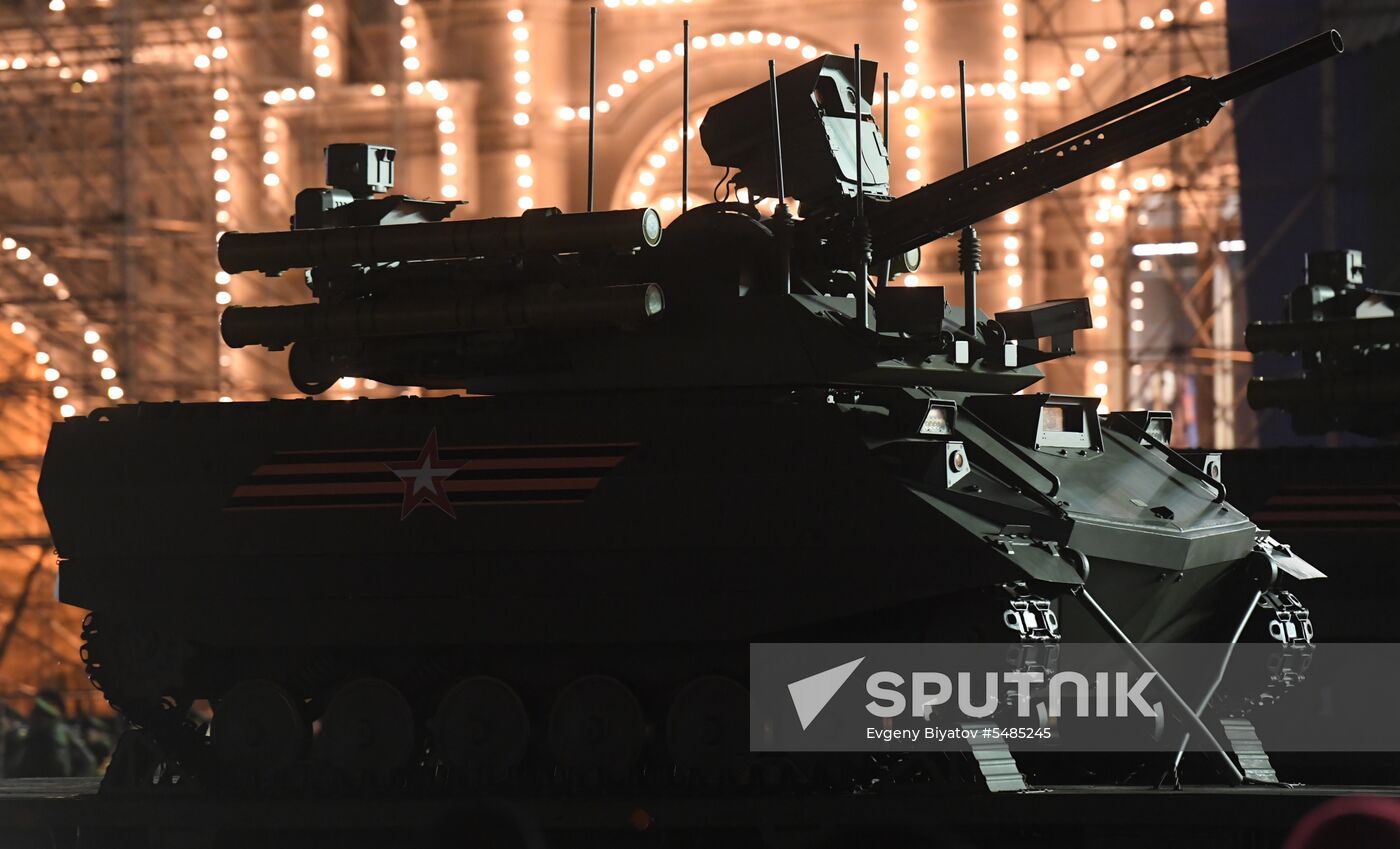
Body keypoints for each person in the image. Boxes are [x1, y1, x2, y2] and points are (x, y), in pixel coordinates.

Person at [5, 689, 97, 778]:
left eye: (35, 715)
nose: (30, 716)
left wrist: (76, 785)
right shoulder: (35, 735)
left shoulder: (56, 732)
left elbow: (63, 767)